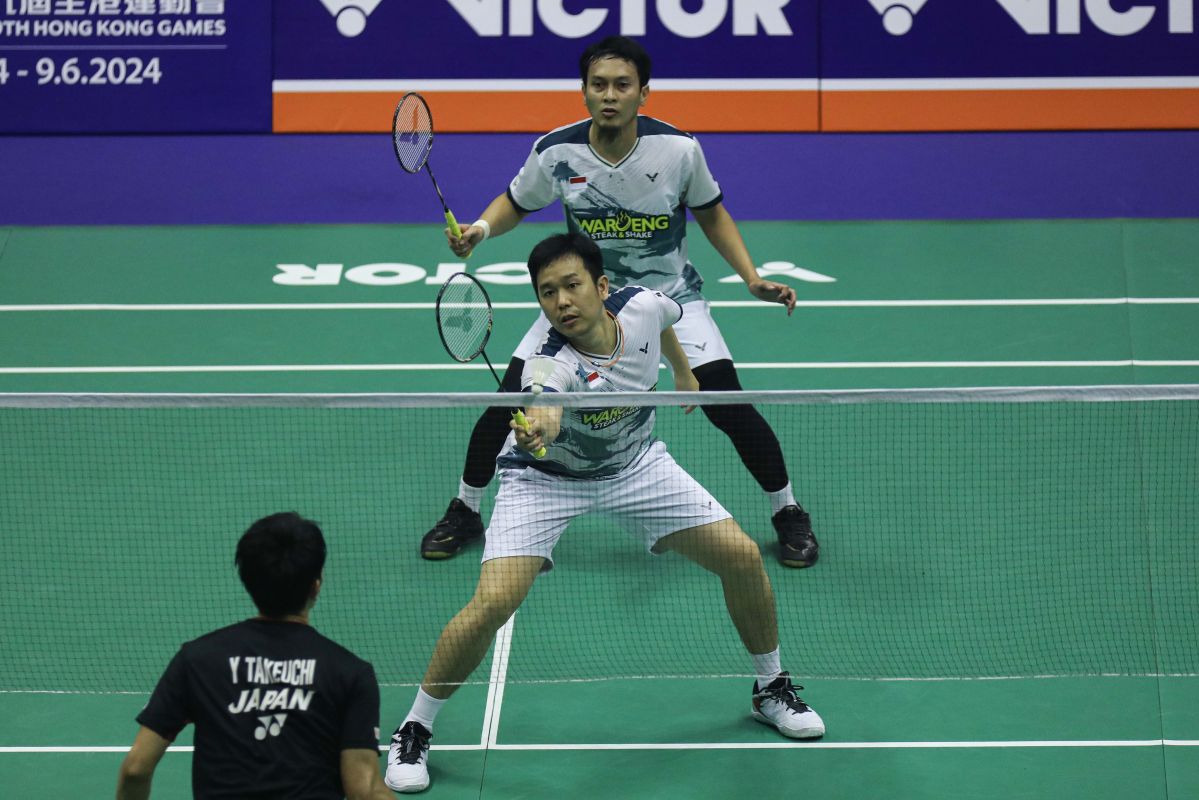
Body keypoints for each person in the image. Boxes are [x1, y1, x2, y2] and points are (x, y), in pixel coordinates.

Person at [386, 233, 824, 793]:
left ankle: (771, 688)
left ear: (601, 286)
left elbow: (665, 320)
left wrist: (685, 371)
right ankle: (415, 727)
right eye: (547, 293)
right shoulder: (548, 360)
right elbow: (543, 398)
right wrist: (539, 426)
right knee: (494, 602)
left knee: (741, 557)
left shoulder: (642, 304)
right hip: (544, 481)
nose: (561, 302)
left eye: (571, 286)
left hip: (635, 467)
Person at [423, 35, 818, 569]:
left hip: (670, 297)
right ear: (584, 92)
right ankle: (466, 509)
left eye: (622, 86)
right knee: (507, 402)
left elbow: (711, 211)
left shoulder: (679, 150)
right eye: (598, 85)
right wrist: (482, 229)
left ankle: (788, 511)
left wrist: (750, 277)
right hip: (586, 303)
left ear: (643, 94)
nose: (609, 95)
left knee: (728, 404)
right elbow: (517, 202)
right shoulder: (557, 152)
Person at [116, 513, 392, 800]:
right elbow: (365, 791)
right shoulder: (350, 673)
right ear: (316, 585)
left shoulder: (197, 660)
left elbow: (136, 769)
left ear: (247, 580)